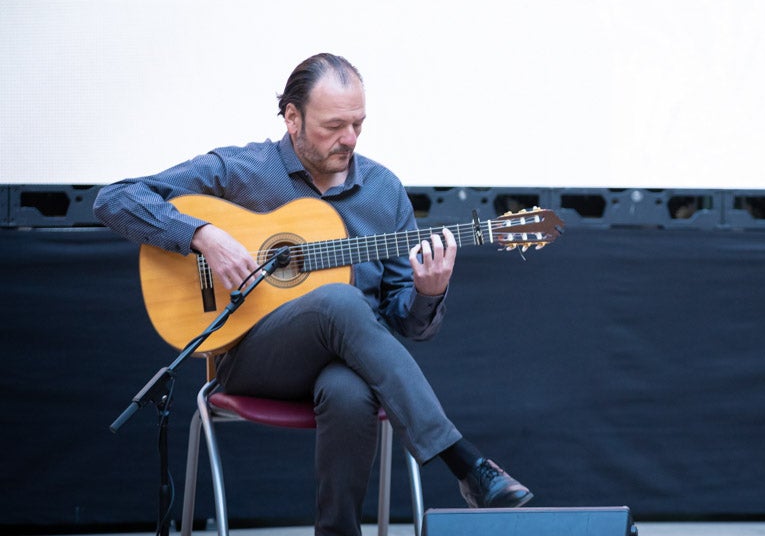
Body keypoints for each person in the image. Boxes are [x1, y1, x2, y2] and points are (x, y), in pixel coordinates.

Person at [94, 53, 533, 535]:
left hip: (349, 365)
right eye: (334, 126)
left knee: (349, 392)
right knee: (340, 301)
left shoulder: (383, 191)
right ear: (292, 117)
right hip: (251, 359)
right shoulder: (243, 171)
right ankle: (465, 463)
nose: (349, 139)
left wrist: (429, 293)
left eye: (358, 125)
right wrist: (203, 235)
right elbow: (114, 200)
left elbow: (406, 324)